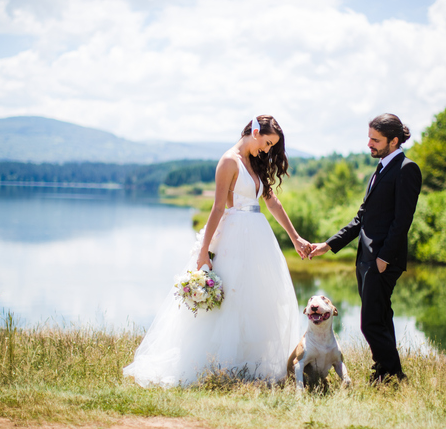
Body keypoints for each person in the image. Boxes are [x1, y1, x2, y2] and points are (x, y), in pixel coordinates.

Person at [123, 115, 311, 387]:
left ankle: (250, 364)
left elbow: (272, 202)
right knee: (232, 298)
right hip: (234, 237)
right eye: (267, 143)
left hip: (258, 238)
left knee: (255, 299)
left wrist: (295, 237)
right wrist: (203, 252)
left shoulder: (254, 162)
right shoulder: (229, 161)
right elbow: (218, 209)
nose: (268, 150)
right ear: (254, 132)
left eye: (272, 146)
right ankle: (218, 364)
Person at [309, 113, 422, 384]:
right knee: (381, 318)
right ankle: (387, 372)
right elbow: (363, 217)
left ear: (393, 141)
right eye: (369, 138)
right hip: (366, 258)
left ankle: (390, 372)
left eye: (376, 139)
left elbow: (402, 220)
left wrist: (384, 257)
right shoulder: (381, 168)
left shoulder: (407, 168)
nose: (369, 144)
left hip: (382, 260)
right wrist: (328, 245)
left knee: (370, 322)